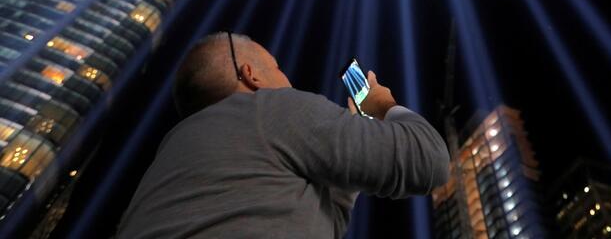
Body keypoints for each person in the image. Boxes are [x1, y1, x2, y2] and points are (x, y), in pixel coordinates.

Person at [116, 32, 450, 238]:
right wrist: (382, 105)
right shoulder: (269, 107)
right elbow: (429, 161)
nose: (286, 78)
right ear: (250, 75)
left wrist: (351, 144)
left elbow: (322, 223)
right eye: (276, 67)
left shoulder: (172, 152)